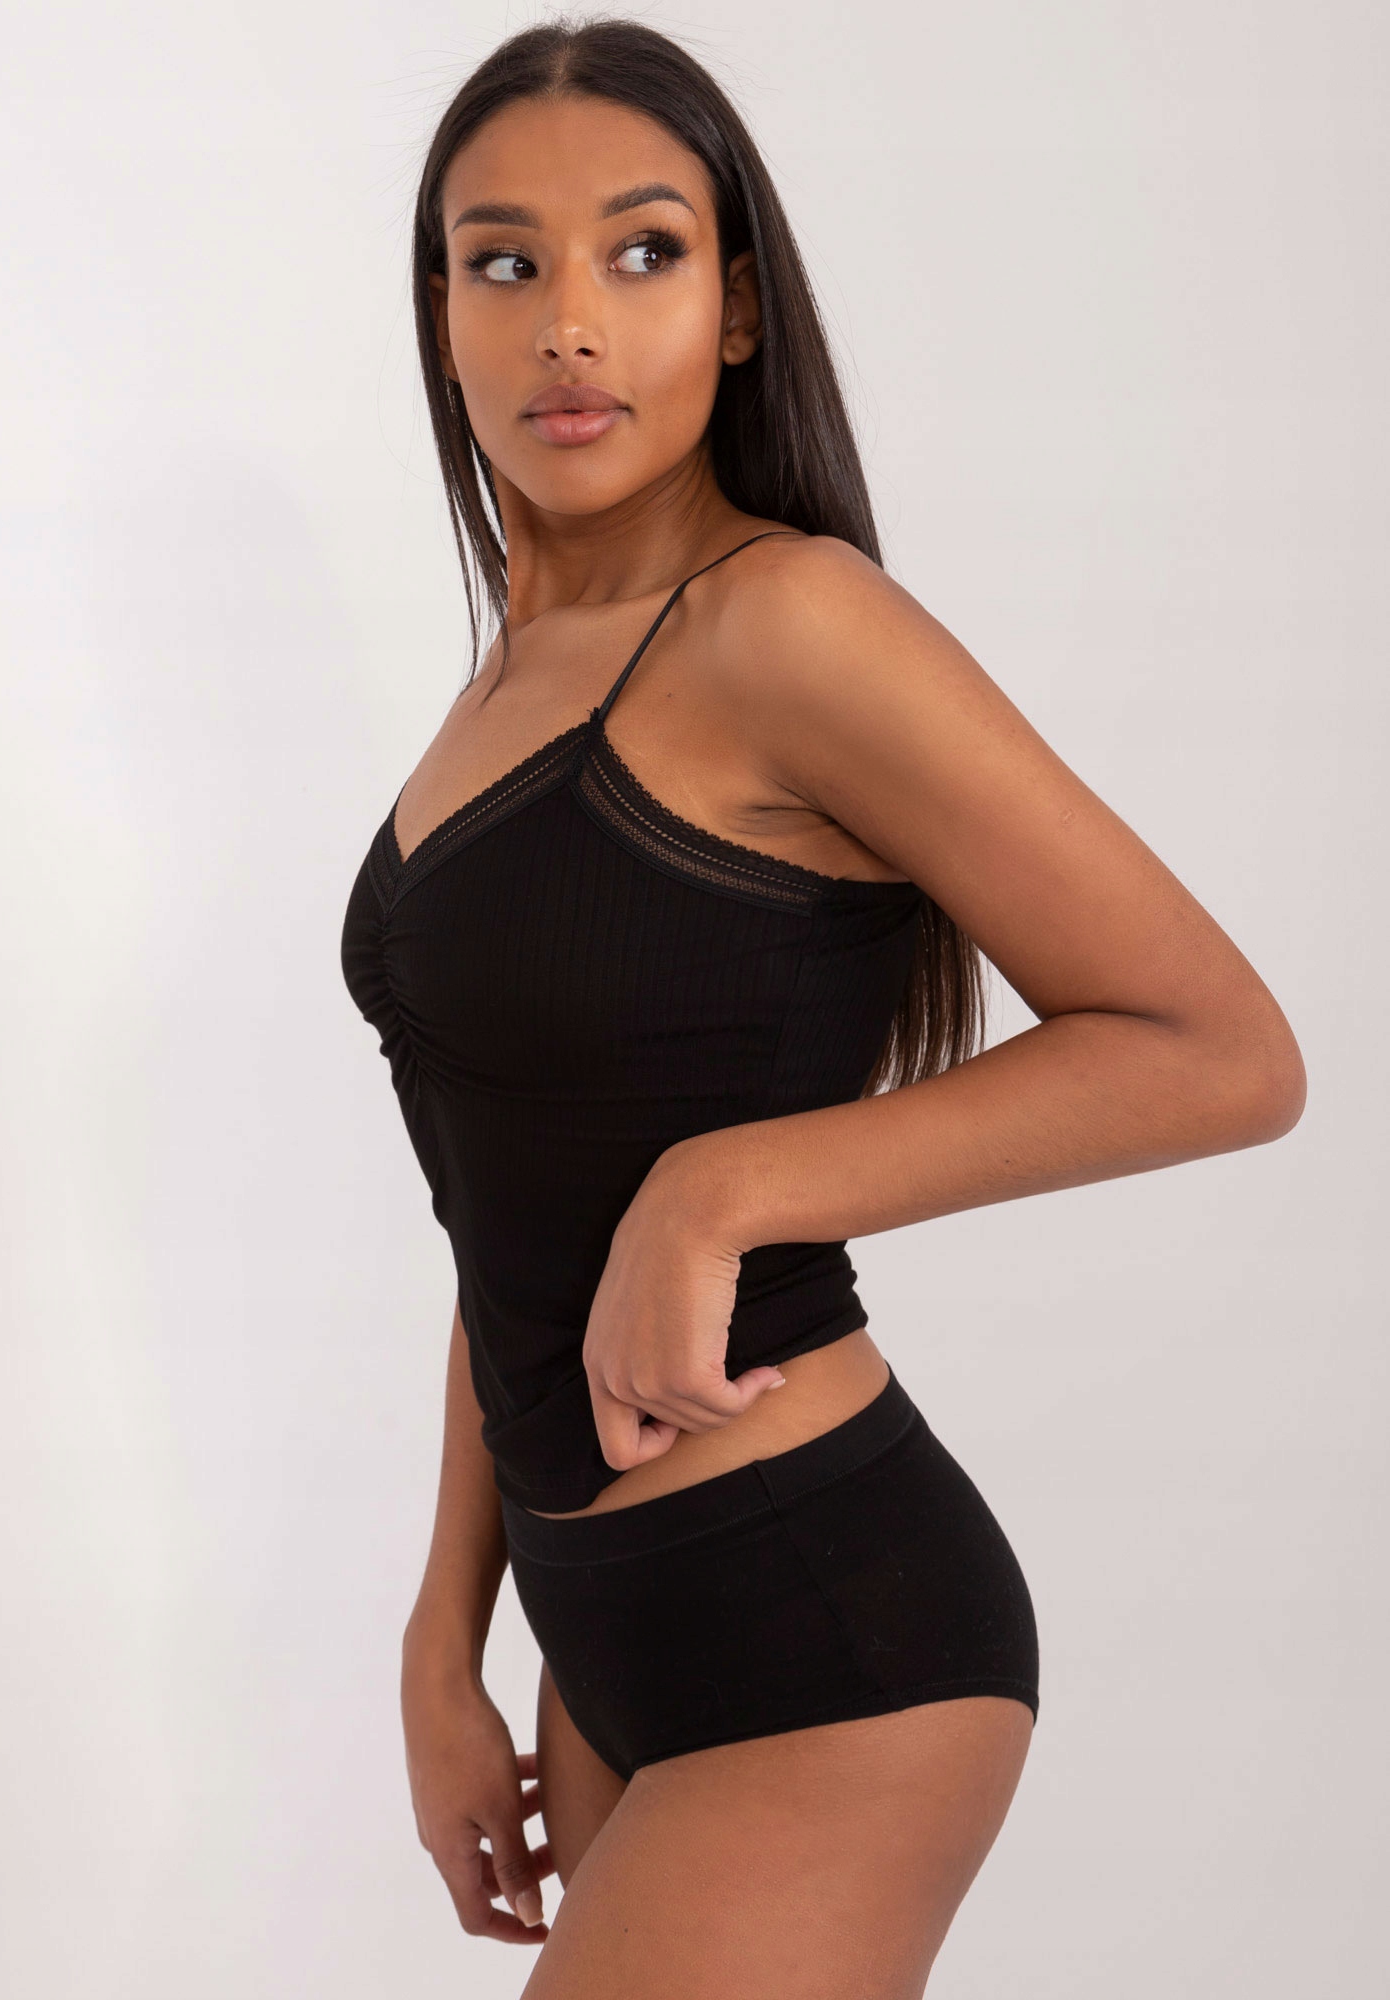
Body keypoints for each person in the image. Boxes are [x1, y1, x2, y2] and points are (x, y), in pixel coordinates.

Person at [340, 17, 1305, 1996]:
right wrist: (446, 1639)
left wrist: (729, 1188)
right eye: (502, 262)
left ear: (739, 307)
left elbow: (1222, 1049)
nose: (567, 322)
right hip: (601, 1631)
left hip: (819, 1623)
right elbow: (508, 1202)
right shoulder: (515, 670)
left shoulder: (786, 623)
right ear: (440, 314)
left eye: (643, 251)